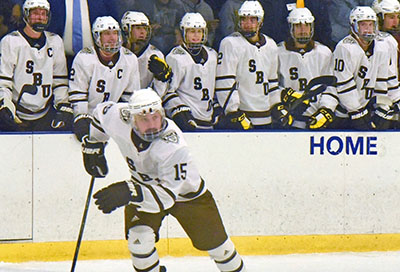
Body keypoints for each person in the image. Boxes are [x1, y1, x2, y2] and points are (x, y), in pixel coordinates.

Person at [81, 88, 246, 272]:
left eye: (156, 117)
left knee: (220, 250)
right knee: (139, 242)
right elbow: (98, 115)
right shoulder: (118, 116)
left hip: (188, 196)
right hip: (144, 188)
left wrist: (129, 192)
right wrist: (95, 144)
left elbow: (166, 197)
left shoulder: (173, 146)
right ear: (132, 119)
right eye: (144, 119)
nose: (152, 125)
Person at [0, 0, 72, 132]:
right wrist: (5, 104)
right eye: (35, 13)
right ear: (26, 15)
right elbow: (4, 81)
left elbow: (60, 82)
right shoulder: (11, 41)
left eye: (43, 14)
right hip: (16, 112)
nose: (40, 17)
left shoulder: (55, 42)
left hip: (45, 114)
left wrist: (63, 104)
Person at [68, 16, 140, 142]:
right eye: (106, 34)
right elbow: (78, 96)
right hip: (88, 117)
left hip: (113, 119)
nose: (112, 38)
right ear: (97, 37)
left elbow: (130, 98)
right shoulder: (84, 58)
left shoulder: (130, 59)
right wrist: (81, 119)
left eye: (115, 33)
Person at [215, 0, 284, 129]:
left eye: (252, 20)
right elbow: (225, 82)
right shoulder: (230, 43)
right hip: (242, 115)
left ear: (260, 22)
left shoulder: (271, 45)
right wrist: (233, 111)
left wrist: (276, 105)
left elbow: (272, 83)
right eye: (244, 19)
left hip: (265, 115)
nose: (247, 24)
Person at [277, 6, 338, 129]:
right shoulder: (278, 52)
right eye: (298, 26)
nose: (303, 30)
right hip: (288, 119)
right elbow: (270, 86)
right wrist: (283, 95)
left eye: (307, 26)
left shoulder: (324, 53)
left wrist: (325, 110)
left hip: (317, 119)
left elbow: (331, 86)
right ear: (291, 28)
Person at [332, 6, 393, 130]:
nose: (368, 29)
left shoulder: (381, 47)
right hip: (344, 112)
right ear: (354, 26)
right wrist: (356, 111)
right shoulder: (344, 47)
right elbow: (343, 84)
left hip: (366, 110)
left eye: (371, 25)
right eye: (363, 25)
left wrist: (382, 107)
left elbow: (381, 81)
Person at [163, 12, 218, 131]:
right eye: (192, 31)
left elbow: (214, 88)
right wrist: (179, 110)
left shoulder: (213, 55)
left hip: (209, 119)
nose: (196, 35)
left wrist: (218, 107)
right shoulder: (175, 57)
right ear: (184, 33)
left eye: (199, 31)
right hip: (188, 119)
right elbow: (168, 92)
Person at [121, 11, 172, 97]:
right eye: (138, 28)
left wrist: (161, 78)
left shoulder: (156, 55)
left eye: (145, 28)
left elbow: (160, 94)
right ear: (126, 29)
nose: (142, 32)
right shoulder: (117, 54)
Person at [372, 0, 400, 128]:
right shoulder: (385, 41)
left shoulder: (392, 39)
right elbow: (389, 77)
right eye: (391, 17)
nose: (396, 22)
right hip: (379, 100)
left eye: (398, 17)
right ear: (379, 18)